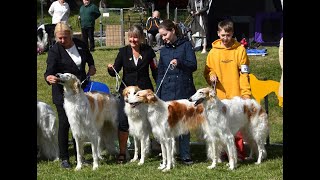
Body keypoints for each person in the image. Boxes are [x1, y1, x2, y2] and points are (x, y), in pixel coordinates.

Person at [44, 22, 97, 169]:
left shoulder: (80, 44)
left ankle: (81, 157)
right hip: (63, 94)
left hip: (80, 91)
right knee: (65, 122)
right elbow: (49, 71)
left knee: (79, 122)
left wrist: (91, 66)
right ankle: (64, 158)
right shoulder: (55, 50)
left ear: (71, 35)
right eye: (59, 38)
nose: (62, 41)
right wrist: (49, 78)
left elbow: (89, 57)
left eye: (65, 38)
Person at [107, 24, 158, 164]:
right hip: (127, 94)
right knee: (124, 122)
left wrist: (158, 86)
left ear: (141, 37)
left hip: (144, 94)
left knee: (148, 121)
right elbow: (115, 71)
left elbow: (155, 70)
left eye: (136, 37)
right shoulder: (123, 52)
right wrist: (110, 69)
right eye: (130, 37)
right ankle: (123, 152)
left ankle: (147, 149)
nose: (133, 40)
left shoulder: (149, 51)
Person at [203, 19, 251, 162]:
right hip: (219, 96)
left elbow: (244, 73)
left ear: (232, 34)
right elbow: (207, 71)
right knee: (220, 126)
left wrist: (246, 93)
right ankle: (223, 154)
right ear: (218, 33)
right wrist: (211, 75)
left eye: (228, 35)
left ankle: (239, 155)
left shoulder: (240, 50)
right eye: (223, 35)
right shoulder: (213, 52)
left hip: (236, 94)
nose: (225, 38)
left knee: (236, 127)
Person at [157, 19, 197, 165]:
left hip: (183, 89)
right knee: (168, 125)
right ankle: (169, 155)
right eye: (161, 36)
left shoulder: (186, 45)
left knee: (184, 124)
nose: (163, 38)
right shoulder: (164, 50)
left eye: (165, 34)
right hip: (167, 91)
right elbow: (160, 72)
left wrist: (180, 63)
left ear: (173, 30)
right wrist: (158, 91)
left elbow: (193, 65)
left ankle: (185, 154)